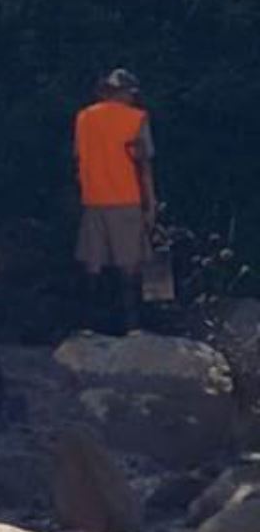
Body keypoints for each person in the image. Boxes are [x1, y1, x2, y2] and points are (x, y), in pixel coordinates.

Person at [74, 68, 158, 335]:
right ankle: (132, 327)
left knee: (92, 264)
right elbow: (144, 165)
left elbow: (78, 157)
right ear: (124, 93)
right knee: (128, 264)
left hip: (93, 199)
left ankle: (87, 325)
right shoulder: (136, 118)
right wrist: (151, 203)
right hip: (126, 198)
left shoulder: (84, 118)